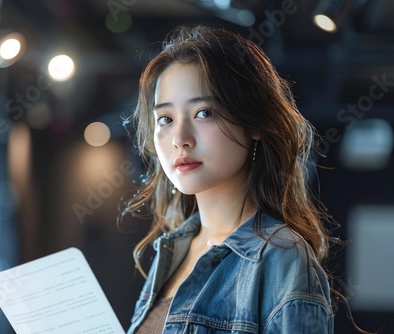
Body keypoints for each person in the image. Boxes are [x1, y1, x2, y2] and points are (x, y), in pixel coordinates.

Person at [121, 25, 339, 333]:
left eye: (204, 112)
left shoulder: (281, 258)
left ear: (252, 124)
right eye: (166, 119)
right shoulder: (172, 251)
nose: (180, 139)